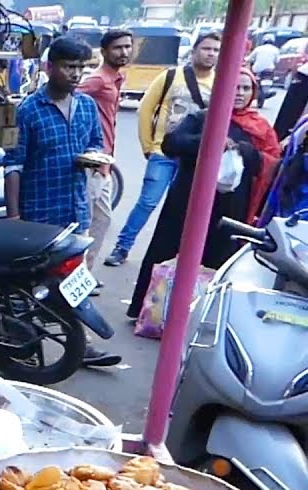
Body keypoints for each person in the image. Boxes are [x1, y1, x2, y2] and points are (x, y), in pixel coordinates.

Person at [3, 37, 120, 369]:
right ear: (49, 67)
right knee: (31, 283)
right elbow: (13, 165)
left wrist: (94, 159)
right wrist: (14, 218)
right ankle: (20, 339)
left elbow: (96, 142)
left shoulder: (85, 106)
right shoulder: (28, 110)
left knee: (74, 278)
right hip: (39, 212)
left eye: (81, 68)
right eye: (69, 67)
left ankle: (82, 344)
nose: (76, 74)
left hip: (75, 207)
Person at [128, 70, 281, 318]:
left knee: (217, 262)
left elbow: (272, 164)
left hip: (230, 209)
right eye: (235, 87)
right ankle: (151, 313)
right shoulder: (203, 118)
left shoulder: (260, 128)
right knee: (168, 251)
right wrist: (210, 140)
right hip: (187, 201)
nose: (240, 94)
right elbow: (171, 144)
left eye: (245, 89)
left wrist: (242, 149)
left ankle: (201, 319)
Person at [104, 31, 220, 267]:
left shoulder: (221, 83)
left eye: (216, 50)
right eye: (207, 49)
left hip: (196, 159)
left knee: (185, 210)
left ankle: (177, 257)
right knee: (148, 202)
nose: (211, 54)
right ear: (195, 49)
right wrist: (148, 146)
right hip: (163, 154)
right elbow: (145, 110)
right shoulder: (171, 76)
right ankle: (122, 247)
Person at [76, 29, 132, 272]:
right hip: (92, 163)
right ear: (104, 51)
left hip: (105, 163)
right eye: (118, 48)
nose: (124, 52)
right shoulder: (98, 79)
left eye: (127, 47)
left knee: (102, 219)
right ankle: (74, 276)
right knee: (84, 223)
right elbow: (69, 96)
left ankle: (84, 275)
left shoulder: (116, 79)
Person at [249, 34, 280, 107]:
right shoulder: (276, 49)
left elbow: (250, 58)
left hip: (256, 70)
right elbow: (277, 61)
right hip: (269, 70)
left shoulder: (258, 48)